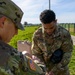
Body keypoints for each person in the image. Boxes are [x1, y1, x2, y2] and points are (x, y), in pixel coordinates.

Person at [0, 0, 44, 75]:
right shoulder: (11, 56)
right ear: (2, 22)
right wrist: (36, 61)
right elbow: (41, 73)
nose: (16, 33)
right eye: (16, 27)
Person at [31, 9, 73, 75]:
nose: (48, 31)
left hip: (61, 71)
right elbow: (36, 54)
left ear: (55, 21)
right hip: (45, 71)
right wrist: (42, 69)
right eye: (45, 28)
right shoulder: (37, 35)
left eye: (51, 28)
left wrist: (54, 70)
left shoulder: (64, 34)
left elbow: (67, 53)